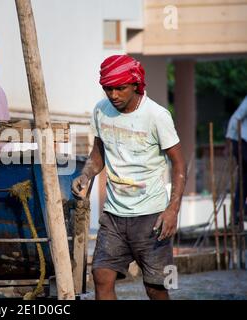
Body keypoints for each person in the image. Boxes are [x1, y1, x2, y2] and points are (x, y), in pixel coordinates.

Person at [72, 55, 186, 300]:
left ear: (135, 85)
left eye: (120, 88)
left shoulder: (157, 115)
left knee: (156, 287)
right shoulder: (100, 111)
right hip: (114, 215)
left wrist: (172, 210)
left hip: (152, 217)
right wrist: (86, 174)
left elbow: (179, 163)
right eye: (108, 89)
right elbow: (98, 153)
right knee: (101, 276)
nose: (113, 95)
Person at [225, 95, 247, 224]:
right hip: (242, 142)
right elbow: (236, 117)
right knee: (244, 178)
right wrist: (228, 140)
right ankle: (239, 211)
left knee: (244, 179)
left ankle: (237, 213)